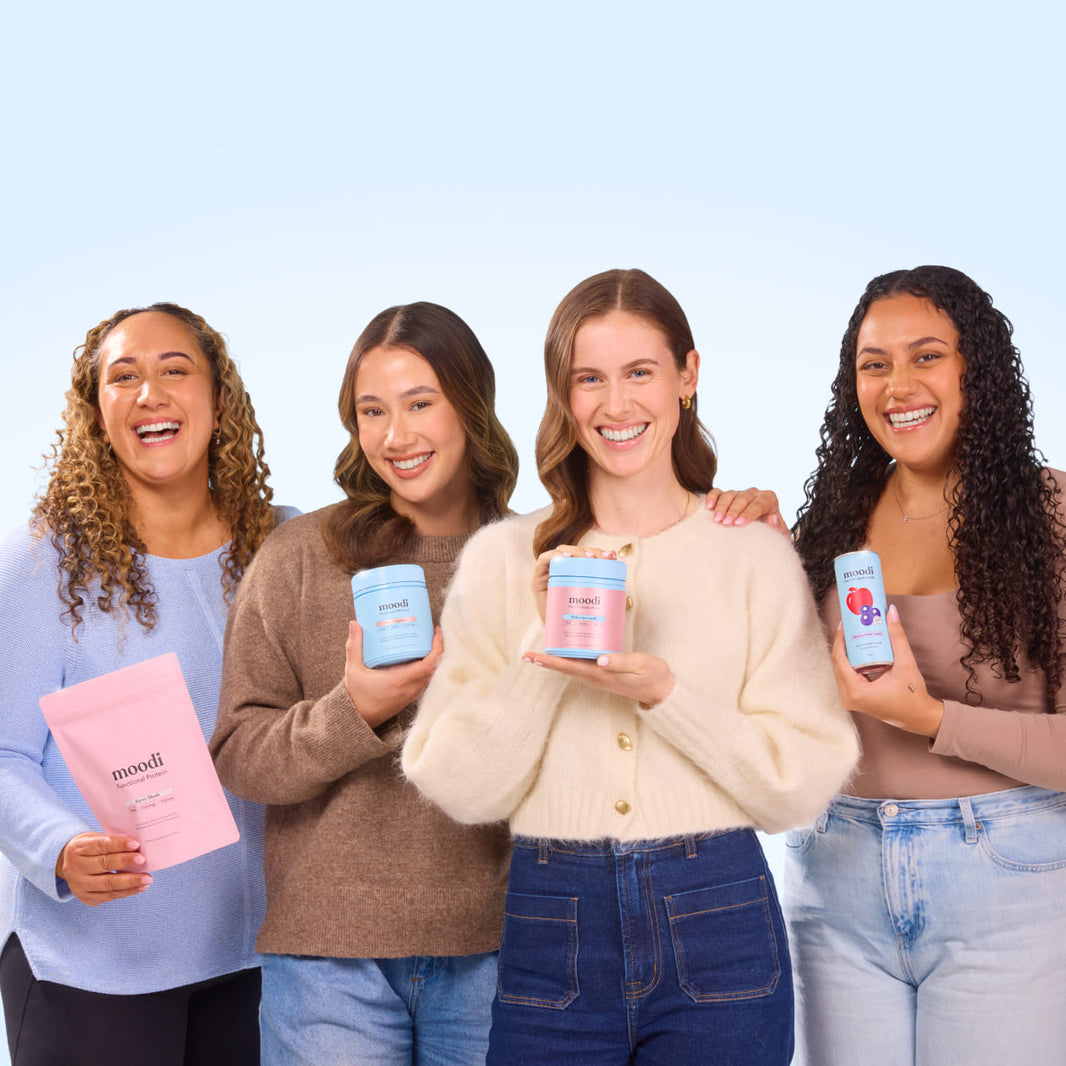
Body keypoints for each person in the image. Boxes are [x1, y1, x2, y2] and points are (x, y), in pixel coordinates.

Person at [402, 268, 858, 1065]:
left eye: (640, 373)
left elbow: (802, 783)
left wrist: (667, 697)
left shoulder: (751, 553)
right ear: (562, 394)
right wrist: (546, 652)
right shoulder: (506, 558)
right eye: (589, 379)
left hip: (718, 913)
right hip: (554, 916)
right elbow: (453, 781)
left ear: (687, 376)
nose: (616, 406)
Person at [209, 302, 520, 1066]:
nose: (396, 436)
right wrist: (358, 711)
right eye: (371, 411)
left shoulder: (532, 558)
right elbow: (240, 756)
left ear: (470, 407)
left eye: (421, 404)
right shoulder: (298, 557)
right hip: (326, 964)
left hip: (498, 950)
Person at [775, 265, 1066, 1065]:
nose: (898, 385)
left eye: (926, 356)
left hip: (1007, 881)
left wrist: (930, 720)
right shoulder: (831, 521)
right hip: (834, 876)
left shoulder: (1054, 518)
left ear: (979, 368)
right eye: (875, 364)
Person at [0, 303, 292, 1066]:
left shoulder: (288, 551)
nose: (149, 392)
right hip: (89, 976)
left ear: (219, 403)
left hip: (263, 965)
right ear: (99, 419)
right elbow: (3, 756)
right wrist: (61, 848)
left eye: (175, 370)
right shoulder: (43, 569)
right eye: (122, 377)